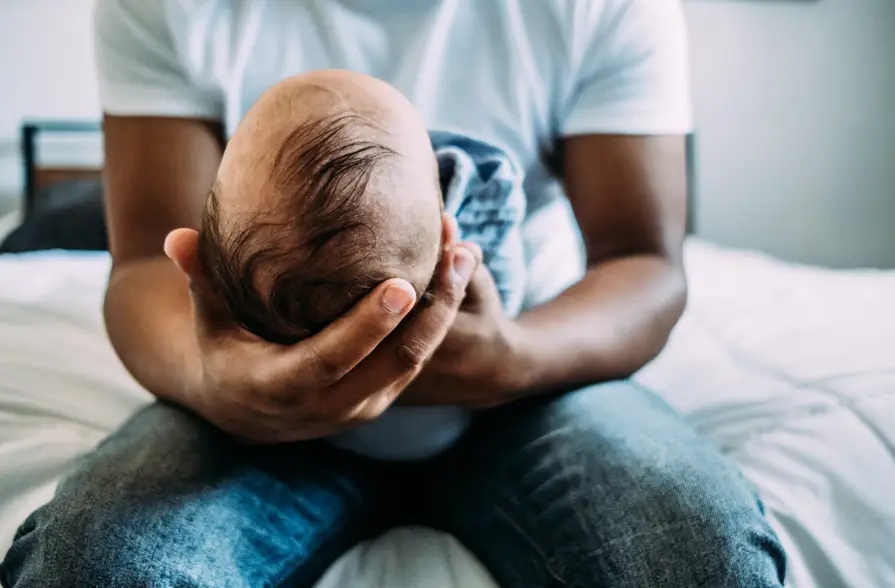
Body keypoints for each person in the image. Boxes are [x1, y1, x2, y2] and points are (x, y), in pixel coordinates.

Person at [1, 0, 787, 586]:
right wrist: (220, 384)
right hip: (264, 407)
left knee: (699, 558)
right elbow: (147, 260)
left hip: (535, 382)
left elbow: (643, 261)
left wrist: (511, 359)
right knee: (94, 565)